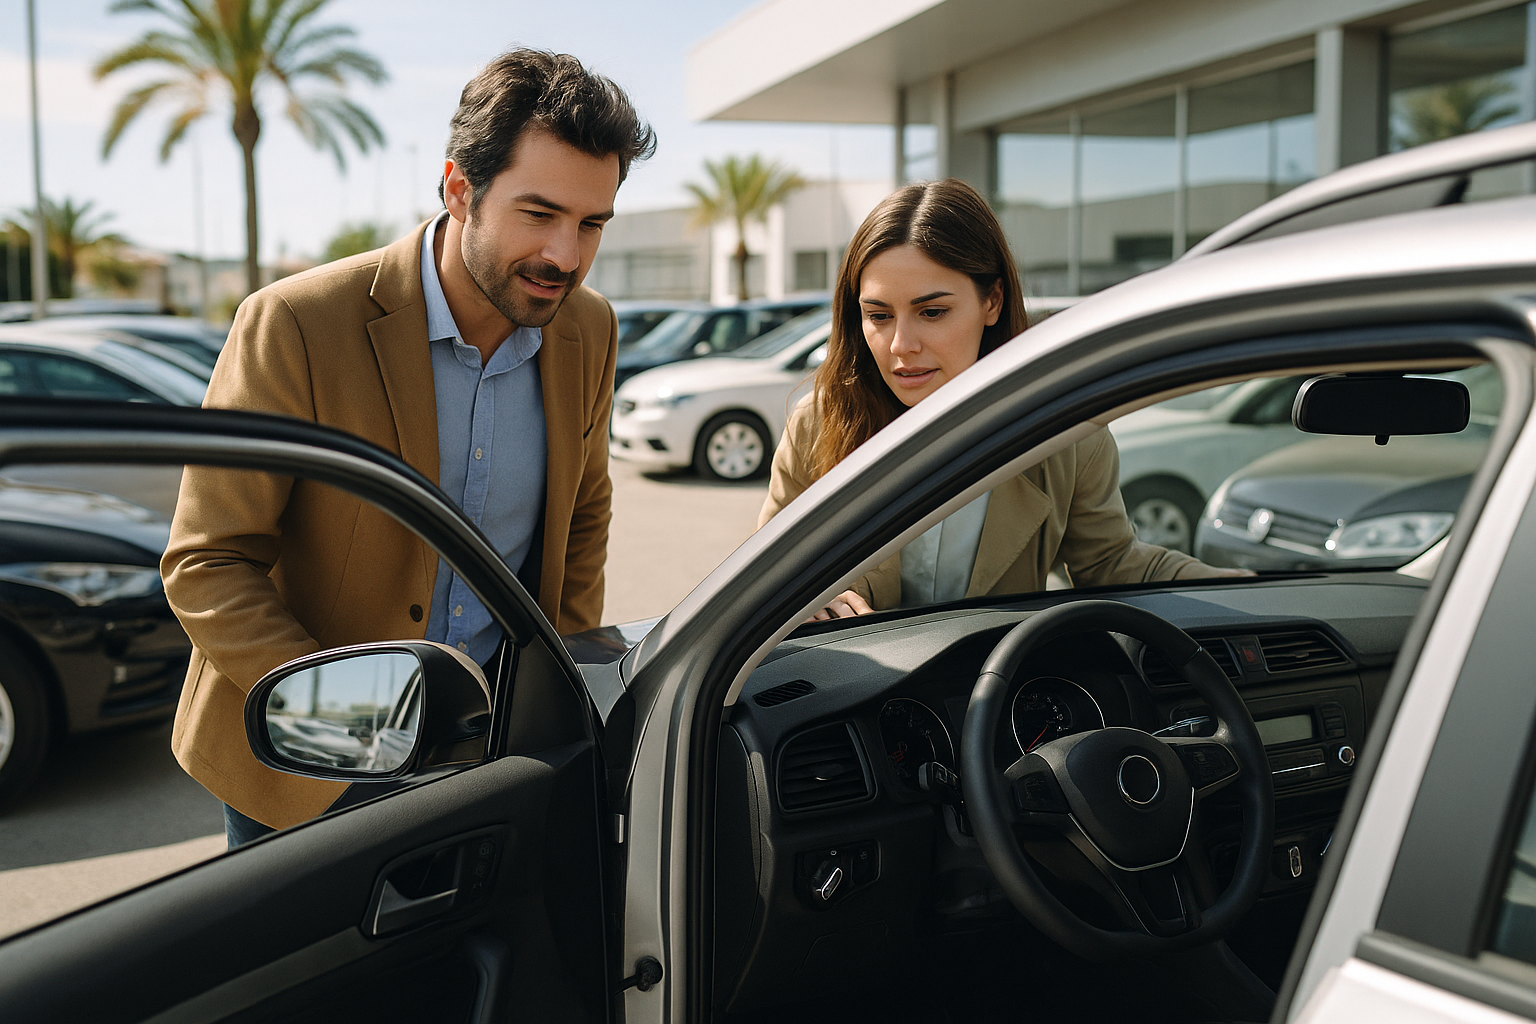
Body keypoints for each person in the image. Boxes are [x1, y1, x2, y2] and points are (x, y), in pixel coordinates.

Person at [162, 49, 655, 846]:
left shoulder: (588, 327)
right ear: (460, 189)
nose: (566, 255)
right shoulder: (295, 324)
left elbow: (584, 514)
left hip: (495, 755)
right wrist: (353, 720)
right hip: (310, 768)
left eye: (591, 223)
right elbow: (208, 561)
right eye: (540, 214)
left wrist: (557, 691)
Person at [758, 179, 1242, 619]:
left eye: (931, 311)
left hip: (995, 696)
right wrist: (804, 596)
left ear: (992, 301)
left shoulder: (1066, 436)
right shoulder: (819, 424)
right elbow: (762, 577)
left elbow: (1112, 563)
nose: (901, 344)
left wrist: (1257, 594)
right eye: (878, 315)